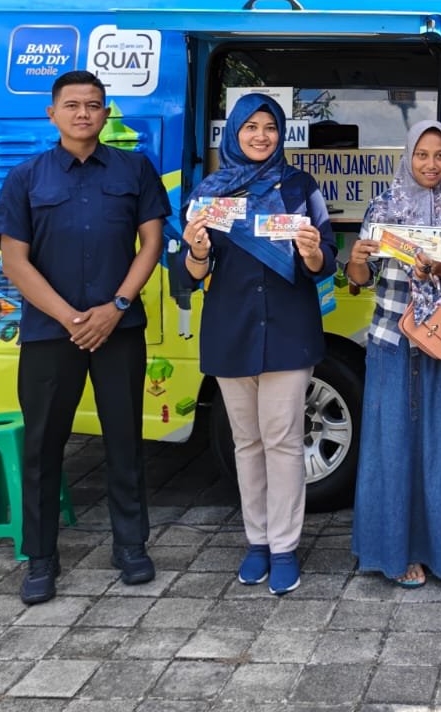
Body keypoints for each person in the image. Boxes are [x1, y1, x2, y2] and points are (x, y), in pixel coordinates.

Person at [0, 70, 170, 605]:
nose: (83, 113)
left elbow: (152, 242)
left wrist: (115, 307)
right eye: (72, 105)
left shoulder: (134, 169)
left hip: (119, 328)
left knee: (124, 442)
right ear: (52, 114)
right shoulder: (26, 177)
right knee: (44, 446)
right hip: (50, 334)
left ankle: (131, 546)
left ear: (105, 111)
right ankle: (41, 557)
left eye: (93, 104)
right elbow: (14, 261)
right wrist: (72, 317)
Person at [180, 92, 336, 596]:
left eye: (270, 126)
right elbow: (190, 275)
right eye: (251, 127)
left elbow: (326, 263)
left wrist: (312, 252)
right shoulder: (210, 194)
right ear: (234, 133)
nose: (261, 135)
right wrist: (197, 252)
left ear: (282, 133)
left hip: (289, 330)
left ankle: (286, 546)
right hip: (231, 330)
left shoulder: (300, 187)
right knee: (246, 443)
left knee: (285, 442)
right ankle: (257, 541)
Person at [344, 120, 441, 587]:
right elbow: (360, 280)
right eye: (421, 155)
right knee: (393, 448)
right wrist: (356, 259)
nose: (431, 164)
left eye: (440, 155)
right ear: (407, 157)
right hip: (393, 340)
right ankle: (399, 552)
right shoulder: (383, 206)